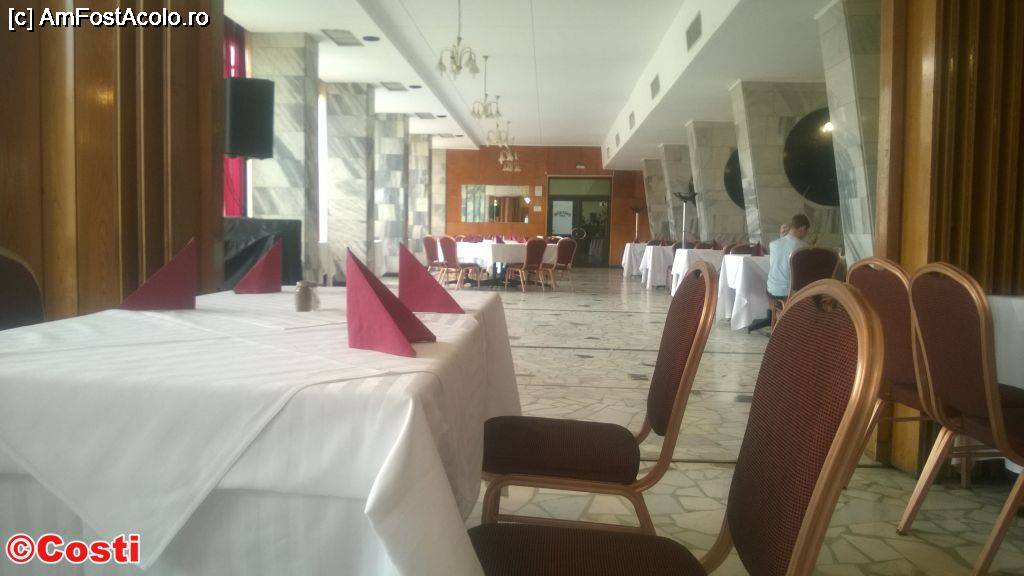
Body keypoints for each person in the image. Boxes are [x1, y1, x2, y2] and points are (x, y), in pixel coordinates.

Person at [766, 214, 811, 298]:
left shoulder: (773, 244)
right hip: (788, 293)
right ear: (803, 228)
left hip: (771, 290)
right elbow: (805, 272)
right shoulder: (803, 247)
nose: (806, 234)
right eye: (806, 231)